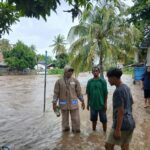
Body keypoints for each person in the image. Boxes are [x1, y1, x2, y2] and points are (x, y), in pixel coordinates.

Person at [105, 68, 135, 150]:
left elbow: (121, 112)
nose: (108, 80)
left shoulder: (118, 91)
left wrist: (117, 130)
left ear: (114, 78)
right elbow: (131, 103)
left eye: (109, 78)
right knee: (125, 146)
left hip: (122, 125)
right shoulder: (126, 87)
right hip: (130, 122)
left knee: (108, 146)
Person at [52, 65, 85, 133]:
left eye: (71, 71)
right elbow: (56, 94)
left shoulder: (75, 81)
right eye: (69, 71)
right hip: (63, 105)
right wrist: (54, 103)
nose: (70, 73)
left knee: (76, 120)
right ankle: (65, 135)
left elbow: (79, 93)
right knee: (65, 122)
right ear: (65, 72)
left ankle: (76, 133)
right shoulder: (59, 82)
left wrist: (83, 101)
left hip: (74, 104)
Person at [86, 66, 108, 132]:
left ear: (99, 72)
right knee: (93, 120)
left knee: (104, 121)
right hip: (92, 105)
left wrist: (105, 104)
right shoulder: (89, 82)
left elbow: (105, 94)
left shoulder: (103, 81)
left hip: (101, 105)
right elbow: (88, 94)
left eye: (96, 71)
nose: (95, 72)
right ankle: (94, 133)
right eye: (94, 71)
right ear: (92, 72)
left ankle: (105, 133)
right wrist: (87, 104)